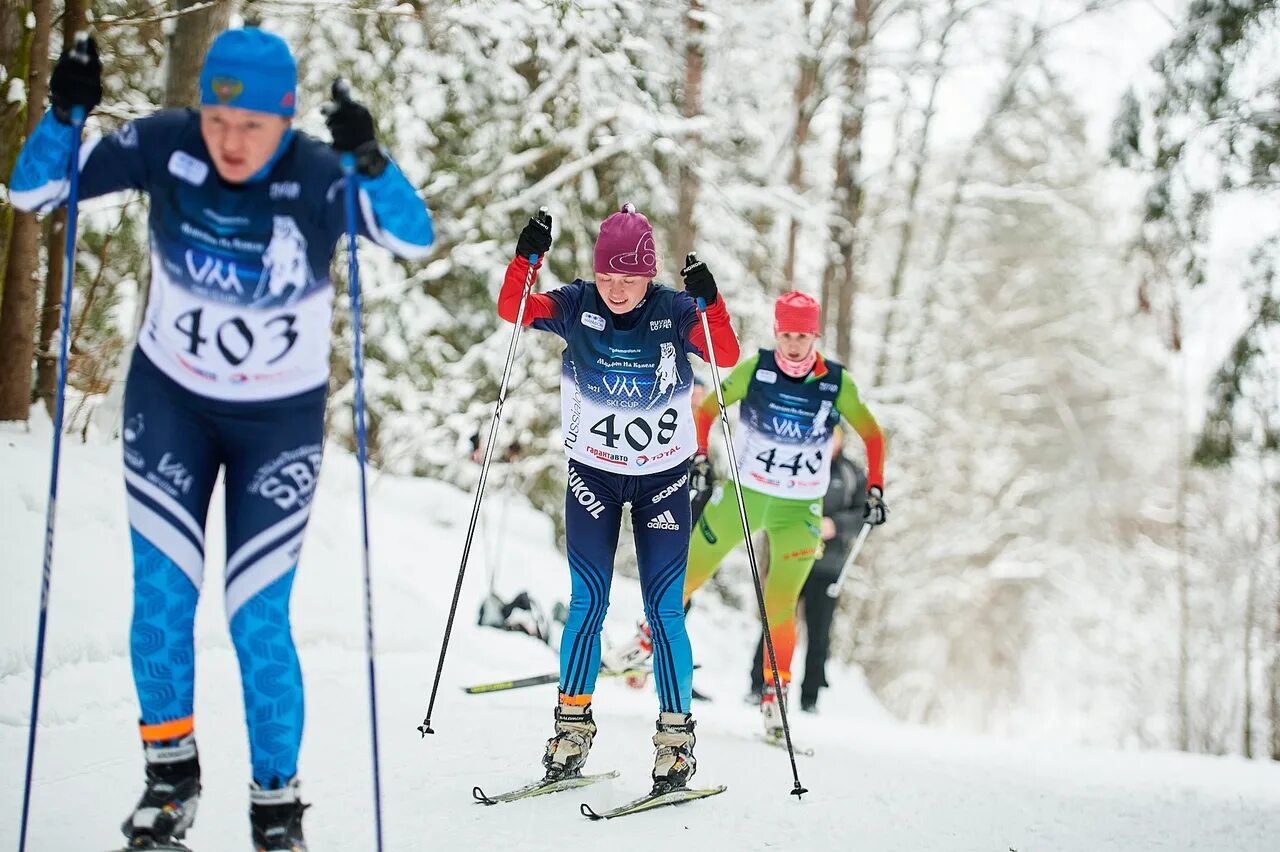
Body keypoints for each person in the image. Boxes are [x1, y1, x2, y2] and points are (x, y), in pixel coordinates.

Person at [11, 29, 433, 851]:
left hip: (276, 426)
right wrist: (65, 115)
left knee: (255, 618)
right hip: (171, 405)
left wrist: (371, 161)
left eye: (252, 127)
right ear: (199, 110)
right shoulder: (165, 144)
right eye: (216, 121)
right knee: (163, 600)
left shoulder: (316, 172)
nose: (231, 142)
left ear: (285, 119)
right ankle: (170, 781)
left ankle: (277, 806)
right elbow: (33, 194)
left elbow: (414, 237)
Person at [496, 203, 739, 791]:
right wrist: (528, 257)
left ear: (648, 275)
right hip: (594, 477)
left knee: (665, 609)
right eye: (607, 276)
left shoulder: (674, 310)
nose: (616, 289)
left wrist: (709, 300)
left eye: (628, 279)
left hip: (663, 478)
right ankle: (571, 730)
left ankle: (676, 742)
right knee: (587, 602)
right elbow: (514, 309)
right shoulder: (578, 303)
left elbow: (725, 353)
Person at [683, 291, 887, 739]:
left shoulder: (835, 383)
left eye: (803, 335)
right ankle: (648, 639)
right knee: (688, 571)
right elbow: (706, 408)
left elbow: (872, 435)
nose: (794, 344)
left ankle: (777, 698)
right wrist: (700, 455)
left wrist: (875, 488)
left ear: (815, 336)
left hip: (799, 510)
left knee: (780, 606)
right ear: (777, 333)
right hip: (745, 496)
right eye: (787, 334)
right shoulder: (757, 368)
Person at [749, 426, 868, 711]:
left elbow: (863, 515)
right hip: (790, 556)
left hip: (828, 565)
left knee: (819, 631)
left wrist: (835, 525)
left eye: (835, 434)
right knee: (776, 619)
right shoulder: (795, 463)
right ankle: (759, 684)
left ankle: (810, 697)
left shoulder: (851, 473)